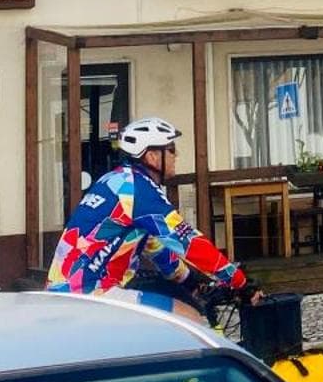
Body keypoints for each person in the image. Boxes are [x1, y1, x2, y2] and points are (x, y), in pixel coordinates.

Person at [46, 115, 249, 323]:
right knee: (190, 319)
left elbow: (155, 246)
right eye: (171, 149)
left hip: (71, 291)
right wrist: (240, 282)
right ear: (152, 156)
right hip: (90, 293)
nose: (176, 155)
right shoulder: (139, 190)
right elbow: (187, 241)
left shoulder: (118, 179)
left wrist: (191, 282)